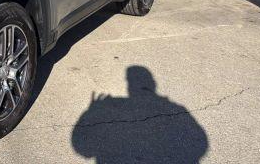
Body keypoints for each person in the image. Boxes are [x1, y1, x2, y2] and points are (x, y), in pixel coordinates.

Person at [72, 66, 208, 163]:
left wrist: (92, 110)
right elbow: (201, 144)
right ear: (153, 83)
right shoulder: (176, 108)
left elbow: (83, 149)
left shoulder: (175, 108)